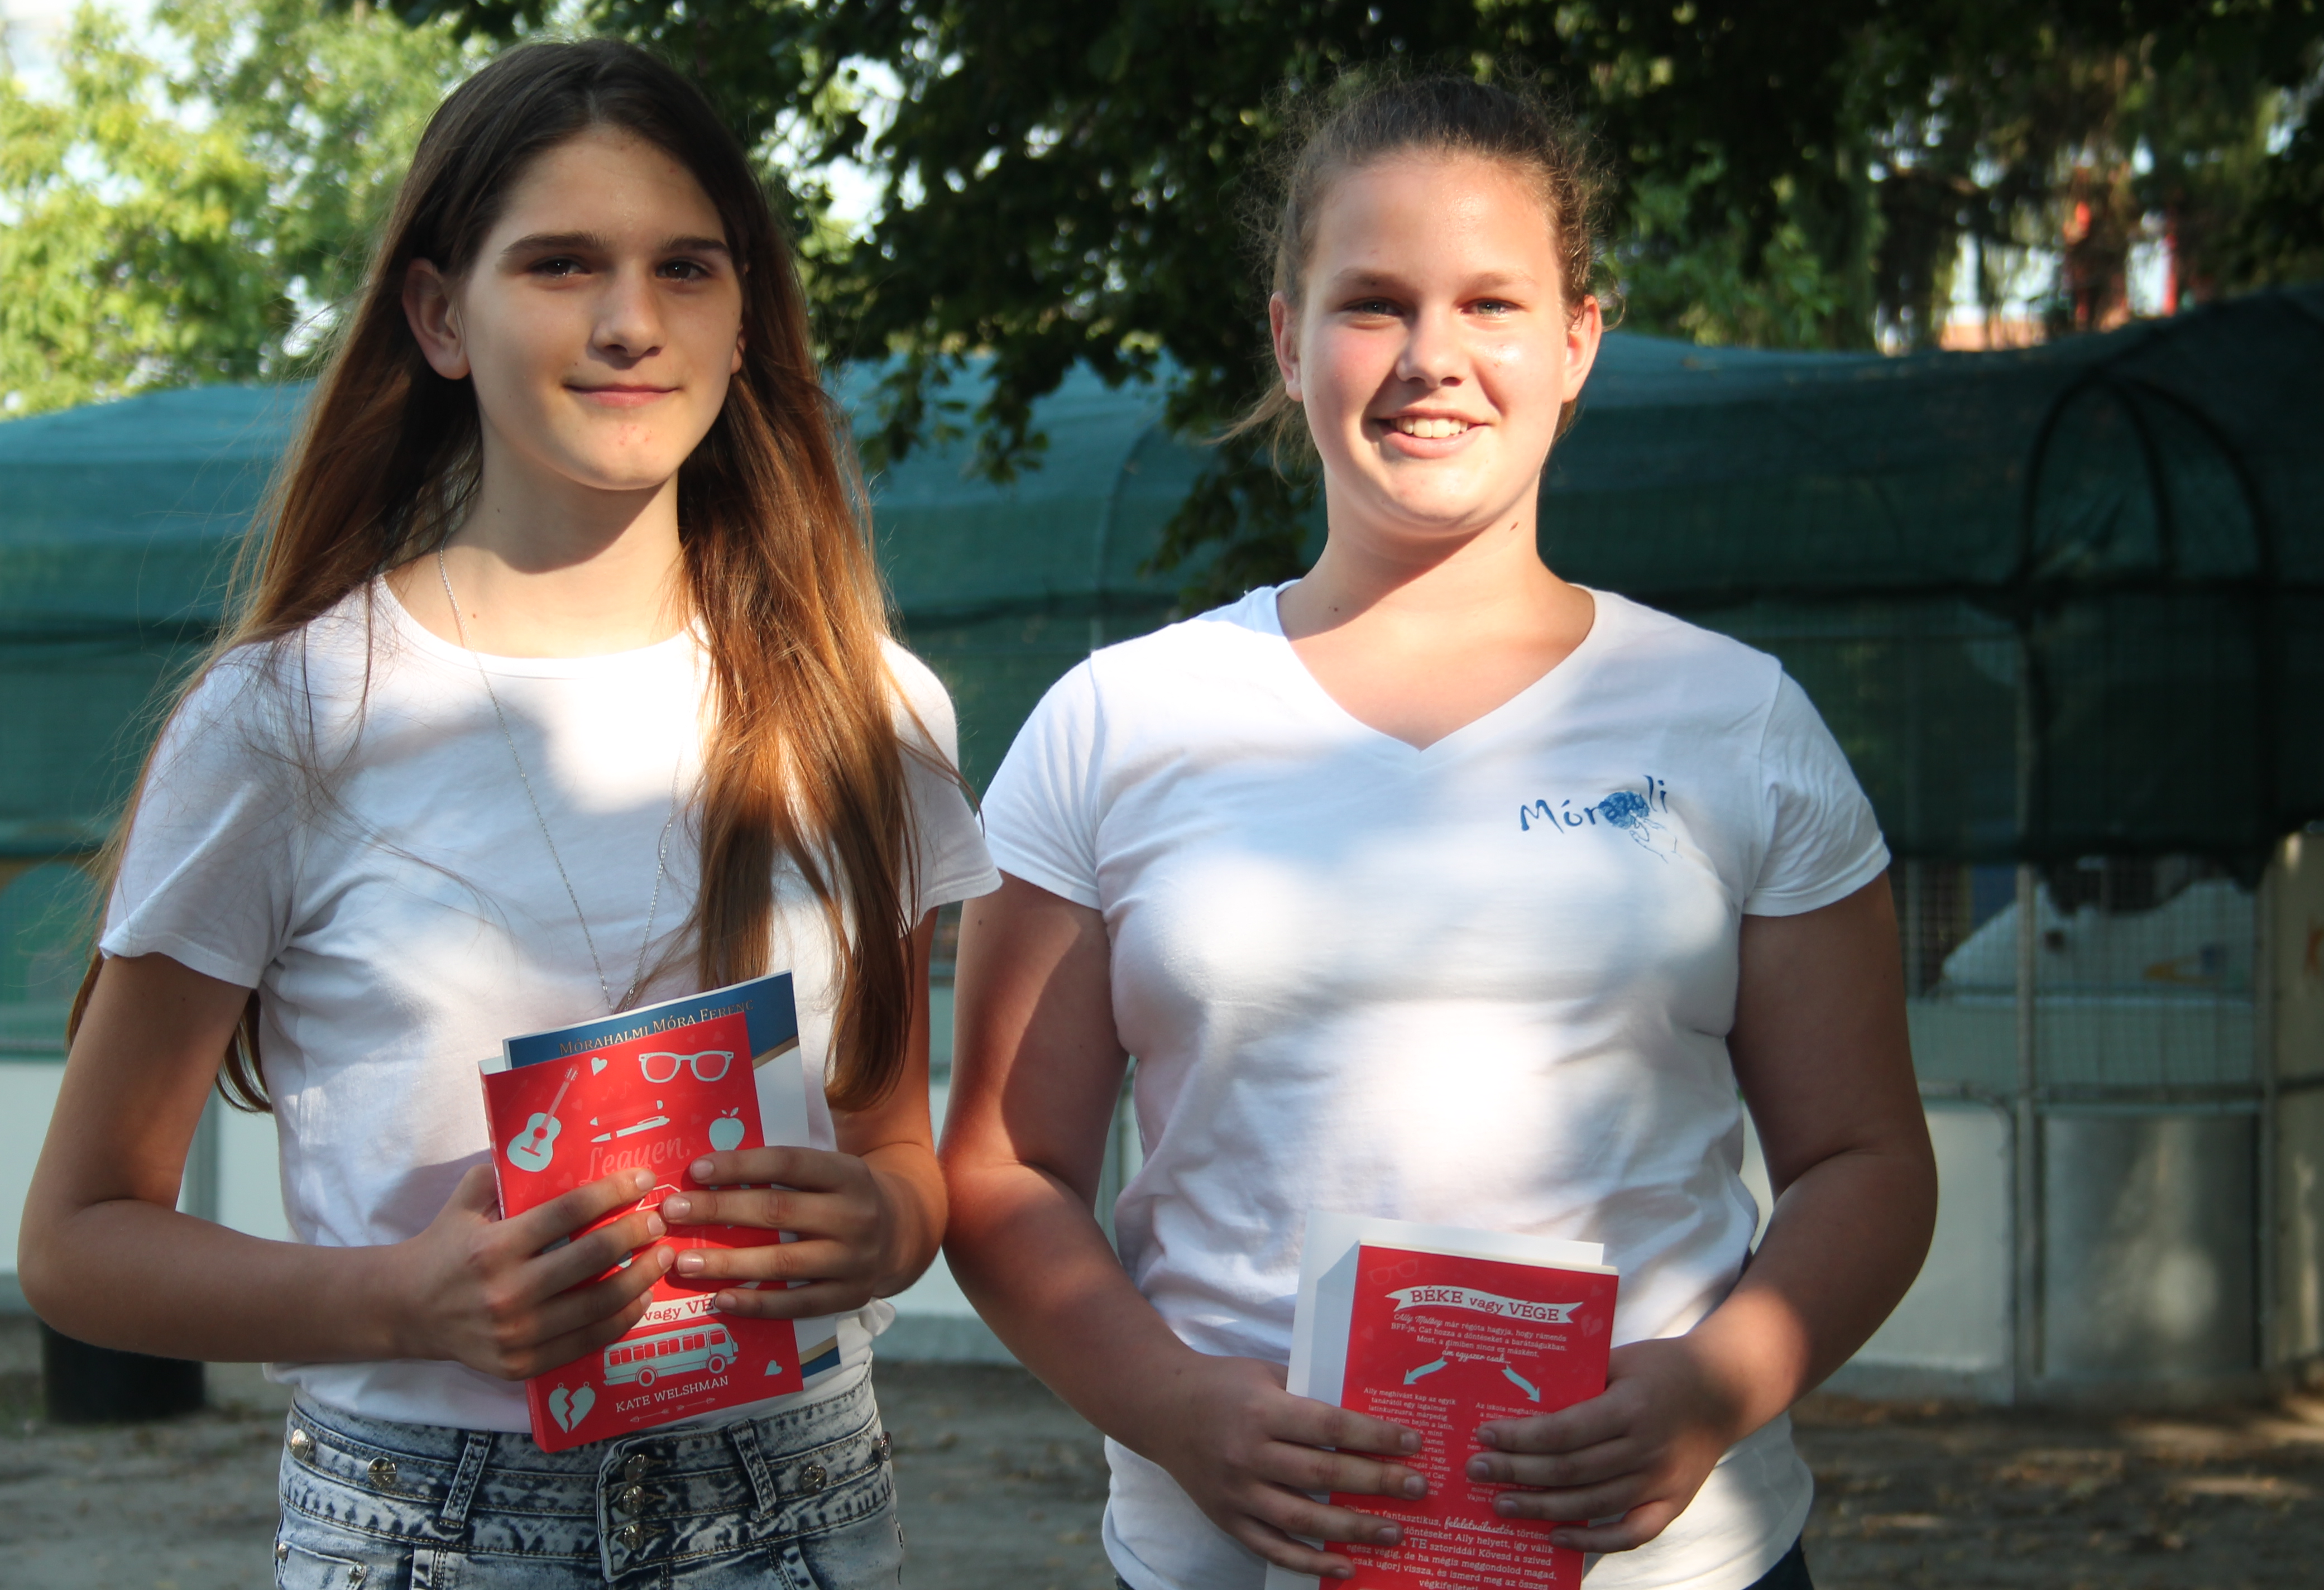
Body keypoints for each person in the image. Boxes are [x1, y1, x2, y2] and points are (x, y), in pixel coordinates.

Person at [17, 39, 996, 1588]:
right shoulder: (289, 719)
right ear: (437, 317)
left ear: (744, 317)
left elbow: (897, 1151)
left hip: (797, 1512)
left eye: (685, 268)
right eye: (560, 265)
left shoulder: (867, 707)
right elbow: (78, 1240)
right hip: (429, 1529)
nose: (629, 322)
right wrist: (402, 1301)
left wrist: (883, 1227)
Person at [941, 74, 1937, 1590]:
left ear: (1578, 340)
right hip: (1237, 1561)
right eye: (1373, 303)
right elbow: (1005, 1169)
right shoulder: (1114, 723)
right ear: (1288, 338)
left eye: (1490, 303)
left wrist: (1715, 1384)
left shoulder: (1736, 719)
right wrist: (1175, 1409)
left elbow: (1866, 1159)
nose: (1431, 358)